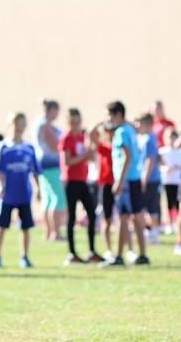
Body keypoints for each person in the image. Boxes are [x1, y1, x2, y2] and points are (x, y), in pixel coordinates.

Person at [101, 101, 149, 267]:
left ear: (118, 114)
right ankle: (143, 254)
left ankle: (118, 256)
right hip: (133, 178)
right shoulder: (129, 129)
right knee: (136, 216)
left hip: (126, 180)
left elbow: (126, 157)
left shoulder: (121, 132)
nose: (108, 118)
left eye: (110, 115)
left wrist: (119, 182)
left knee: (123, 217)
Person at [0, 112, 41, 269]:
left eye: (22, 124)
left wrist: (39, 189)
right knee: (2, 226)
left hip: (23, 194)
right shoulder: (3, 147)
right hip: (7, 194)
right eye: (16, 123)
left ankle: (24, 256)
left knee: (25, 227)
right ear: (10, 125)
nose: (19, 127)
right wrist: (0, 186)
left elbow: (35, 171)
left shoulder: (29, 148)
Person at [58, 108, 100, 264]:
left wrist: (89, 156)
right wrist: (84, 157)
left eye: (78, 122)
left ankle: (91, 251)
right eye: (73, 122)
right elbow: (67, 161)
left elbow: (86, 158)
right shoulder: (66, 138)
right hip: (70, 181)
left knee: (92, 214)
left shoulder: (82, 137)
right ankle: (72, 253)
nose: (76, 125)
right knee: (72, 217)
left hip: (83, 180)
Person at [33, 99, 67, 241]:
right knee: (57, 198)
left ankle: (48, 232)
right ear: (51, 110)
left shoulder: (40, 122)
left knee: (47, 199)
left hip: (43, 165)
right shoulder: (45, 124)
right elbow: (54, 146)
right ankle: (55, 233)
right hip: (51, 164)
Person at [90, 122, 116, 258]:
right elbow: (91, 135)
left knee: (124, 218)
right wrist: (101, 122)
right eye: (108, 131)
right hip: (106, 185)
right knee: (107, 218)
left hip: (119, 184)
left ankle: (125, 249)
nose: (110, 134)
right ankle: (109, 249)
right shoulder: (103, 147)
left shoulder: (120, 147)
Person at [137, 113, 162, 245]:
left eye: (140, 122)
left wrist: (144, 179)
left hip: (150, 179)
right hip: (152, 179)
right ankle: (152, 233)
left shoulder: (148, 139)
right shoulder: (147, 138)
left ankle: (152, 234)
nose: (138, 125)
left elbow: (150, 160)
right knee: (150, 208)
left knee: (148, 208)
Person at [159, 128, 181, 235]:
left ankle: (177, 223)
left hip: (178, 181)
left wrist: (177, 167)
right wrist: (165, 168)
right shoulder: (162, 151)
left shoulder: (180, 152)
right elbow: (159, 165)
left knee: (178, 204)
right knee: (169, 203)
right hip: (167, 181)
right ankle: (170, 223)